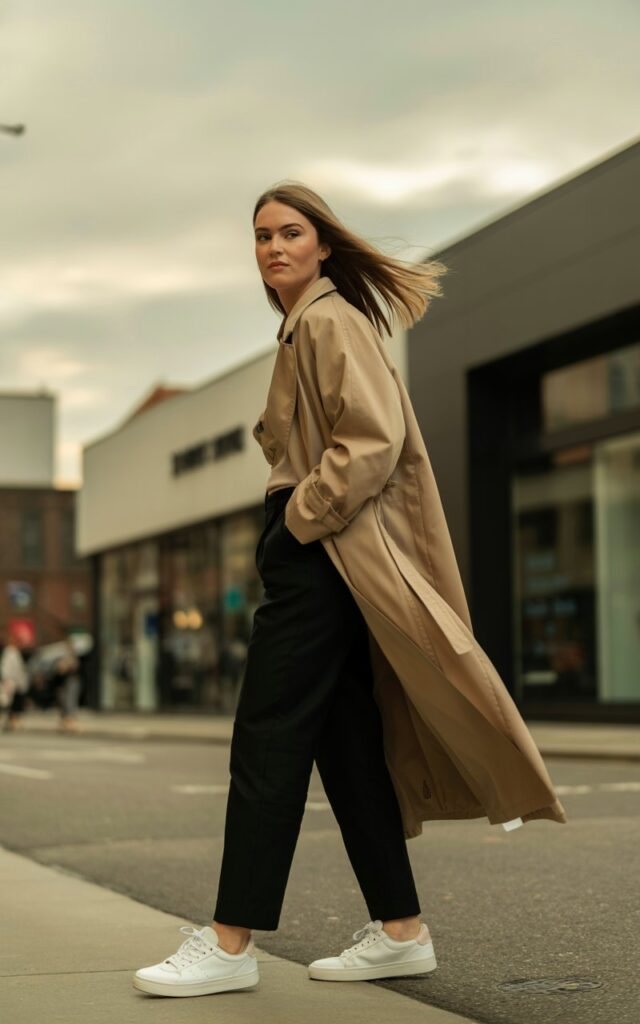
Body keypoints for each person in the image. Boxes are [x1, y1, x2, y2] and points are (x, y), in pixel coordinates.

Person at [134, 182, 566, 999]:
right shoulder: (304, 327)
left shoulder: (329, 320)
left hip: (321, 550)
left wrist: (297, 522)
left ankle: (230, 941)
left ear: (324, 244)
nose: (273, 247)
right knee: (345, 743)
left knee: (267, 736)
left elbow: (374, 438)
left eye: (290, 232)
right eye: (262, 236)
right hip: (320, 549)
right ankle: (401, 930)